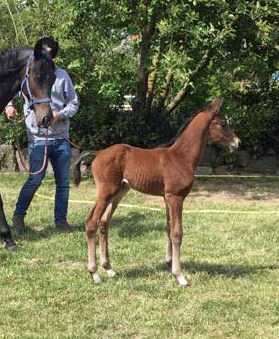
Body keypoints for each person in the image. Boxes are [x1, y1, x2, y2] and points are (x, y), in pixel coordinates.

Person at [5, 37, 79, 232]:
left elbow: (73, 102)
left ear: (54, 56)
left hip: (61, 137)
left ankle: (60, 221)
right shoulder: (30, 73)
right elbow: (12, 90)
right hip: (37, 137)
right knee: (35, 179)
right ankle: (19, 217)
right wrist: (10, 106)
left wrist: (60, 114)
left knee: (63, 183)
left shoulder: (62, 76)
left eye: (50, 54)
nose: (47, 57)